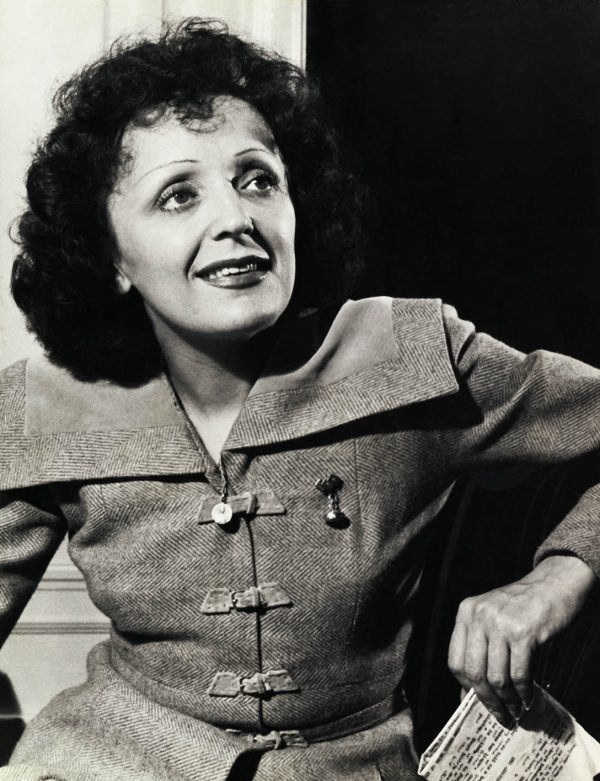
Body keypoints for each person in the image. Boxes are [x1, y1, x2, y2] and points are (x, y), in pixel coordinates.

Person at [0, 18, 599, 781]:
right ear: (110, 253)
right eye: (178, 195)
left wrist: (559, 574)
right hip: (104, 760)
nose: (235, 219)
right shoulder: (45, 407)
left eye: (258, 179)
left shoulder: (410, 357)